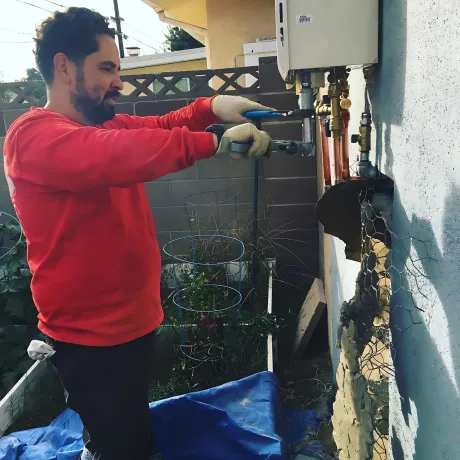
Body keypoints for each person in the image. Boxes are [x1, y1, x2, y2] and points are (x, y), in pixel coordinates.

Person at [3, 7, 275, 460]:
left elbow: (157, 128)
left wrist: (209, 108)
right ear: (63, 66)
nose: (119, 82)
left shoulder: (100, 125)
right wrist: (215, 142)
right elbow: (117, 155)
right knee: (122, 445)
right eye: (106, 68)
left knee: (123, 429)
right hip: (90, 338)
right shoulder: (34, 137)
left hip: (128, 323)